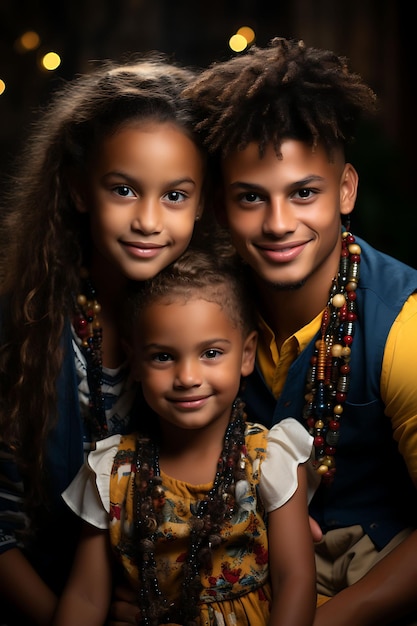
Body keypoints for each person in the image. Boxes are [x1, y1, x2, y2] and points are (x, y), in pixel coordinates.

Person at [182, 37, 417, 626]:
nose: (279, 224)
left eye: (304, 193)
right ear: (219, 208)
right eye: (251, 198)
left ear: (345, 190)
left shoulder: (402, 329)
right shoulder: (195, 310)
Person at [0, 54, 207, 626]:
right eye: (123, 189)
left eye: (175, 195)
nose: (148, 220)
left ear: (202, 202)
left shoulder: (217, 327)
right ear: (78, 189)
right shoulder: (26, 326)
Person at [52, 246, 317, 626]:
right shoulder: (110, 475)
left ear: (246, 355)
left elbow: (296, 581)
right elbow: (85, 596)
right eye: (163, 356)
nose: (188, 377)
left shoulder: (270, 460)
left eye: (210, 353)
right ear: (137, 360)